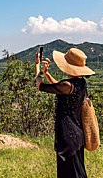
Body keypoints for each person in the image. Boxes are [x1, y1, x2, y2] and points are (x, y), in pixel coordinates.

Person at [35, 47, 95, 178]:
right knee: (77, 171)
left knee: (68, 173)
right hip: (78, 135)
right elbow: (60, 88)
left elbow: (40, 86)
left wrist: (37, 68)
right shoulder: (81, 83)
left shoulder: (68, 85)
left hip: (67, 136)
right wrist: (47, 74)